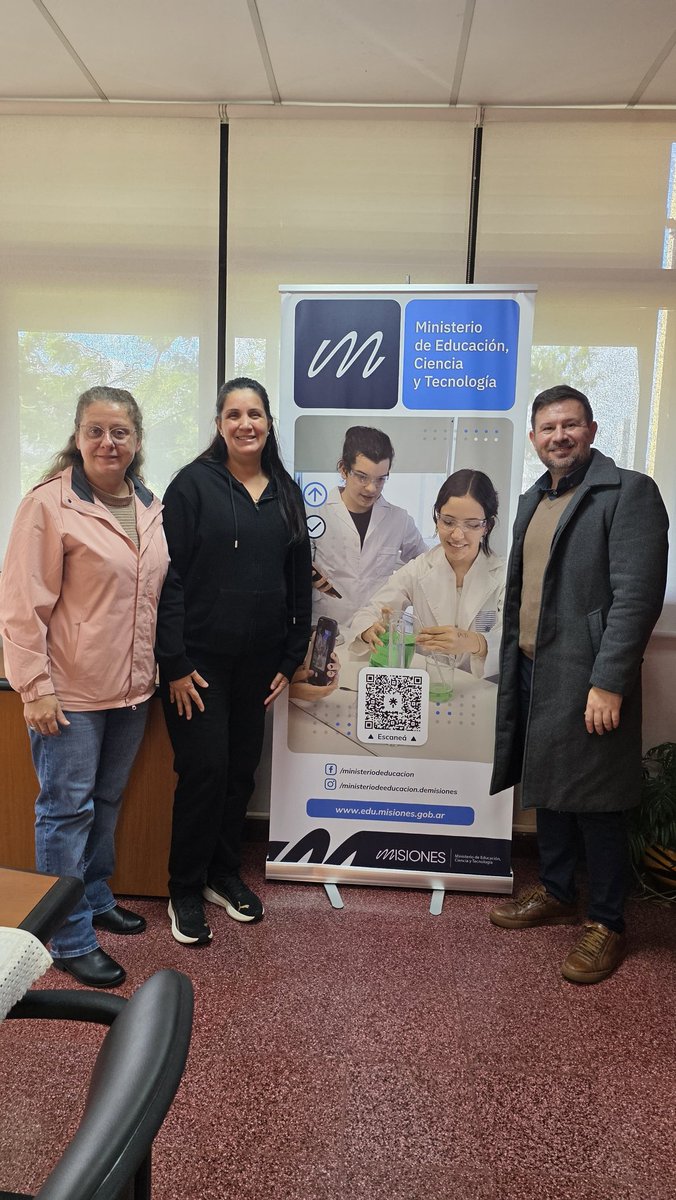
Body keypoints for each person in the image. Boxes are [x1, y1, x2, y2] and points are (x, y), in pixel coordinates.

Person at [489, 385, 668, 984]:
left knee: (598, 799)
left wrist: (610, 681)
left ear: (591, 430)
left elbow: (637, 597)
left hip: (589, 672)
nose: (558, 436)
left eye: (570, 425)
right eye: (547, 428)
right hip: (535, 665)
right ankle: (560, 890)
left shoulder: (629, 493)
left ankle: (608, 922)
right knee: (550, 786)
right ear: (535, 438)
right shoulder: (531, 501)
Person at [0, 386, 168, 988]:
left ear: (136, 442)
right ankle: (67, 937)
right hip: (68, 694)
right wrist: (35, 688)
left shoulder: (150, 505)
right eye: (95, 430)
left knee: (106, 804)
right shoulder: (49, 504)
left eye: (119, 432)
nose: (107, 441)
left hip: (130, 693)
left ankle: (95, 898)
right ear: (77, 437)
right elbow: (21, 604)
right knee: (65, 813)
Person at [156, 377, 312, 946]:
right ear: (219, 424)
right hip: (197, 665)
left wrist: (292, 654)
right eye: (233, 414)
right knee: (204, 771)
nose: (246, 424)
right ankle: (183, 886)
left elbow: (299, 583)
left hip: (260, 664)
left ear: (269, 423)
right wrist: (171, 662)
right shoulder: (192, 487)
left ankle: (223, 875)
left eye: (255, 414)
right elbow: (165, 581)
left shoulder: (286, 493)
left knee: (241, 772)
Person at [348, 469, 505, 680]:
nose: (457, 535)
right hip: (431, 688)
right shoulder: (419, 569)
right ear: (437, 518)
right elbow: (371, 611)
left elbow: (515, 642)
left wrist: (475, 642)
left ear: (487, 526)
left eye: (471, 524)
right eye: (448, 522)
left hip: (484, 690)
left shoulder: (505, 575)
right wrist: (370, 630)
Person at [310, 426, 426, 631]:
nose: (372, 488)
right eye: (362, 477)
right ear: (344, 470)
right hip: (327, 629)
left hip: (377, 631)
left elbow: (426, 565)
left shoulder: (399, 519)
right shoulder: (315, 515)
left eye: (381, 479)